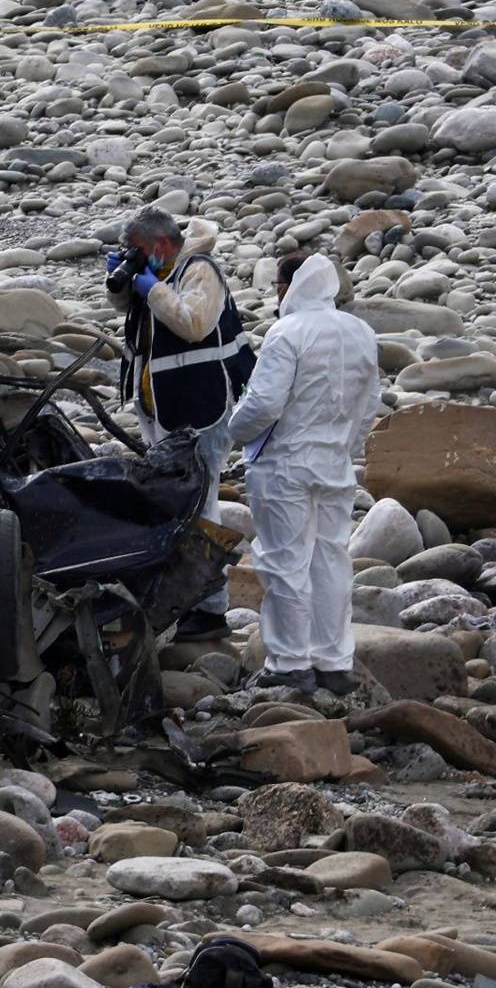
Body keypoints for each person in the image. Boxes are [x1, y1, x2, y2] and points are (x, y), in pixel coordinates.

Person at [226, 252, 380, 696]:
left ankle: (291, 662)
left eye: (278, 284)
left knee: (284, 561)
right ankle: (333, 662)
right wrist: (344, 445)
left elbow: (264, 405)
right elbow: (369, 406)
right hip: (335, 463)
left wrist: (235, 427)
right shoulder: (361, 332)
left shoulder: (287, 331)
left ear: (288, 287)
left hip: (284, 465)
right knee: (331, 559)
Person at [107, 208, 257, 643]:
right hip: (165, 408)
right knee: (174, 502)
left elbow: (193, 324)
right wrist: (123, 283)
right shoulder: (159, 271)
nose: (135, 259)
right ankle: (182, 597)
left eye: (137, 251)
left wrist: (150, 288)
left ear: (159, 246)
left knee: (201, 502)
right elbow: (138, 316)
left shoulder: (200, 271)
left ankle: (212, 611)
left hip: (203, 406)